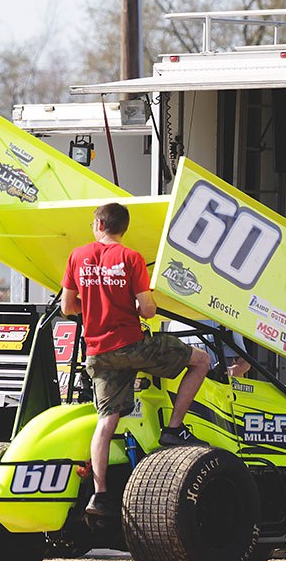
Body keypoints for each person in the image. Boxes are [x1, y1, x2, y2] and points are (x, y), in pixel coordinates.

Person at [62, 202, 211, 517]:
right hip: (132, 347)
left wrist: (92, 304)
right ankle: (173, 429)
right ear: (121, 228)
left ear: (100, 224)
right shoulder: (131, 258)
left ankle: (100, 496)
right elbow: (148, 310)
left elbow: (67, 308)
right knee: (200, 361)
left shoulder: (77, 256)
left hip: (98, 353)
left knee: (105, 423)